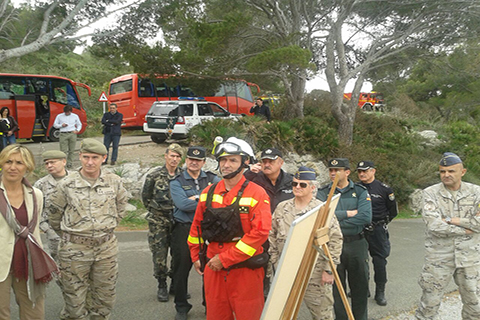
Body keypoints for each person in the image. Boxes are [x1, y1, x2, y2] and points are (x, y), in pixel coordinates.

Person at [188, 137, 271, 320]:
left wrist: (225, 259)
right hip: (213, 268)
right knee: (216, 314)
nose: (226, 165)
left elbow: (260, 233)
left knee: (249, 314)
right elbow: (196, 229)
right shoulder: (208, 193)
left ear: (245, 162)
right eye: (223, 160)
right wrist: (196, 256)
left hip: (245, 270)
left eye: (233, 160)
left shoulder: (257, 193)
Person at [46, 138, 128, 319]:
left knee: (105, 296)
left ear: (104, 158)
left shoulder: (114, 182)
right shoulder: (66, 184)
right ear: (79, 157)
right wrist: (72, 235)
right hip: (73, 250)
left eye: (95, 157)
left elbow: (120, 208)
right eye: (86, 157)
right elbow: (54, 215)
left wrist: (105, 229)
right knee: (74, 297)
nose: (90, 162)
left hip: (106, 248)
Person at [269, 166, 343, 319]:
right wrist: (276, 263)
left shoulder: (322, 210)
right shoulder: (282, 208)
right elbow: (272, 237)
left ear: (312, 187)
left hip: (314, 273)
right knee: (283, 313)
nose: (297, 187)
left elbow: (335, 240)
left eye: (302, 185)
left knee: (322, 314)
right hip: (286, 271)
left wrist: (329, 270)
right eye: (294, 184)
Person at [415, 152, 480, 320]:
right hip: (438, 258)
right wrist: (466, 228)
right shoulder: (430, 193)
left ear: (463, 172)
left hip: (470, 258)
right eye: (443, 171)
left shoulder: (476, 192)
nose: (446, 175)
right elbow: (434, 224)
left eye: (451, 171)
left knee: (475, 304)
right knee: (428, 304)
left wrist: (452, 220)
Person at [0, 144, 58, 320]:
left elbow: (34, 231)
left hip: (28, 260)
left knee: (33, 311)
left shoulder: (36, 195)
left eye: (19, 162)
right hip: (1, 261)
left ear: (28, 166)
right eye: (8, 161)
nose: (13, 167)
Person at [317, 158, 372, 320]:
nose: (333, 173)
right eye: (331, 171)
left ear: (347, 172)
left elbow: (365, 217)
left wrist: (334, 220)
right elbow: (321, 217)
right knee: (336, 288)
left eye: (337, 170)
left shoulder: (360, 191)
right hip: (333, 245)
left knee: (360, 287)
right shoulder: (323, 193)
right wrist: (348, 213)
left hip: (356, 243)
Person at [170, 146, 220, 320]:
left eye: (198, 160)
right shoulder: (176, 181)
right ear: (186, 161)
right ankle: (182, 306)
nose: (194, 162)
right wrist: (205, 199)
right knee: (181, 269)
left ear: (204, 162)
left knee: (210, 269)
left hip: (208, 231)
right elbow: (182, 204)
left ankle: (209, 305)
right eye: (191, 159)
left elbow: (220, 202)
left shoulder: (213, 179)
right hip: (184, 229)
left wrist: (195, 198)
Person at [141, 143, 184, 302]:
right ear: (165, 156)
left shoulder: (183, 175)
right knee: (159, 254)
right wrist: (157, 211)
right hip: (158, 220)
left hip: (178, 220)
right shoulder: (154, 175)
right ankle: (161, 284)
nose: (174, 159)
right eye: (172, 155)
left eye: (177, 156)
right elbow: (146, 197)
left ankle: (174, 283)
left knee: (178, 254)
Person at [356, 160, 397, 306]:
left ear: (373, 171)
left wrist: (381, 223)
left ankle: (380, 292)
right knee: (359, 261)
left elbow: (393, 211)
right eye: (360, 171)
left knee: (379, 262)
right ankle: (362, 289)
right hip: (359, 229)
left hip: (378, 231)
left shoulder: (384, 189)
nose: (362, 174)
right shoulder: (354, 188)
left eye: (365, 171)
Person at [33, 150, 69, 263]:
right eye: (46, 163)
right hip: (55, 233)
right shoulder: (41, 184)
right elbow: (35, 210)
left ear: (64, 162)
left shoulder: (77, 179)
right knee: (60, 266)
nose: (49, 166)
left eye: (52, 162)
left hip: (78, 232)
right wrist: (47, 230)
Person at [244, 147, 293, 212]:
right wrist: (248, 173)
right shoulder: (253, 180)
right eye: (264, 162)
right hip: (260, 220)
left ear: (281, 163)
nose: (267, 165)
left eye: (271, 161)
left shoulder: (292, 182)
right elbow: (236, 188)